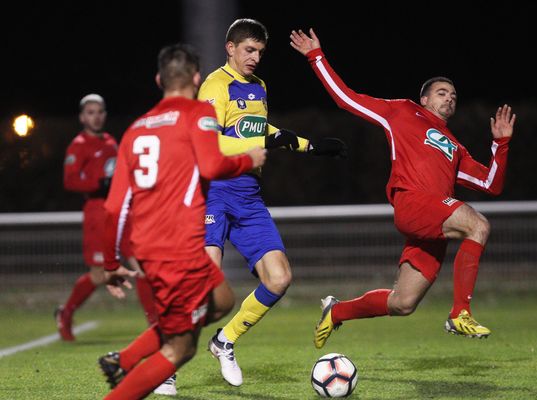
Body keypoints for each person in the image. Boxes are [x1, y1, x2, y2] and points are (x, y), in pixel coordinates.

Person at [290, 28, 516, 348]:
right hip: (414, 203)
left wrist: (501, 144)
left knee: (402, 303)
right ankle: (459, 312)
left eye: (453, 95)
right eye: (441, 92)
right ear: (424, 98)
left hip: (434, 215)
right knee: (478, 225)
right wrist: (316, 56)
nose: (449, 97)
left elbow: (491, 184)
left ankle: (336, 311)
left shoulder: (454, 147)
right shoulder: (402, 112)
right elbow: (345, 98)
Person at [97, 43, 265, 400]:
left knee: (221, 300)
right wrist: (247, 160)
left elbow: (113, 209)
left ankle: (122, 359)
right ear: (196, 78)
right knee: (181, 348)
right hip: (178, 249)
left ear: (159, 79)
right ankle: (120, 382)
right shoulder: (198, 114)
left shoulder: (135, 129)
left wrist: (110, 263)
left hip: (148, 249)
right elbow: (211, 166)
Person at [197, 18, 347, 387]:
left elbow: (261, 130)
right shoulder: (214, 86)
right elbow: (212, 145)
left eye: (260, 52)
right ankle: (165, 365)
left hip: (248, 195)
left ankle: (224, 341)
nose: (255, 58)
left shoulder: (259, 87)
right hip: (215, 190)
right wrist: (266, 144)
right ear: (230, 48)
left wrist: (309, 146)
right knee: (205, 289)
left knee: (279, 278)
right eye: (249, 50)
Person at [56, 94, 156, 341]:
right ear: (82, 117)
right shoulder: (78, 145)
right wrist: (98, 184)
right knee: (101, 274)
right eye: (90, 112)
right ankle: (65, 313)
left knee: (140, 264)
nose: (96, 116)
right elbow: (69, 180)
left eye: (99, 111)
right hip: (97, 213)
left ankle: (155, 324)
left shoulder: (111, 141)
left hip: (121, 210)